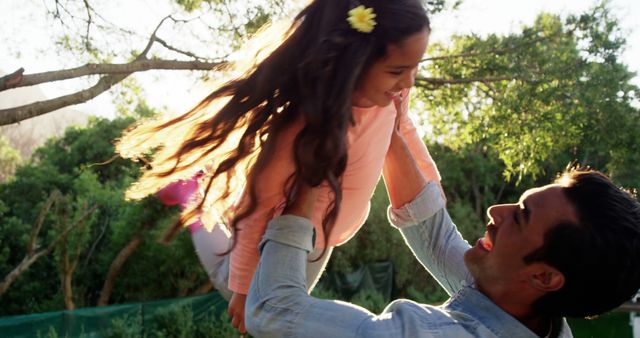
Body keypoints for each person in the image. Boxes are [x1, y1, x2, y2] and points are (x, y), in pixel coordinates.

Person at [117, 0, 440, 332]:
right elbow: (258, 206)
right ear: (355, 61)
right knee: (238, 290)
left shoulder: (392, 97)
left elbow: (404, 132)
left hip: (324, 237)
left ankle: (200, 196)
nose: (409, 82)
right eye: (398, 71)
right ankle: (193, 196)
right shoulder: (300, 127)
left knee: (286, 310)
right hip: (278, 234)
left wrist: (432, 190)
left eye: (415, 67)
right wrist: (242, 291)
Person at [244, 123, 640, 337]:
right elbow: (434, 235)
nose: (494, 211)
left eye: (519, 216)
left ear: (544, 276)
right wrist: (386, 125)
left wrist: (309, 184)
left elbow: (274, 313)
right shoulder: (534, 314)